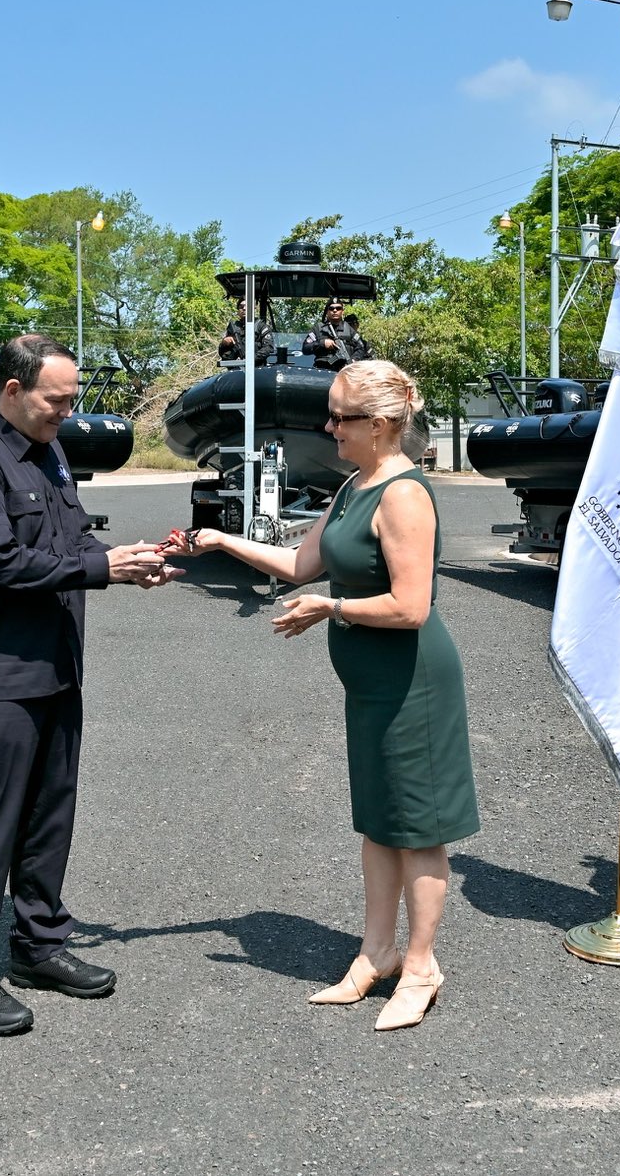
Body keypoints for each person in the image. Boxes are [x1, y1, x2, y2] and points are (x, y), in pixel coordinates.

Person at [166, 358, 478, 1032]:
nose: (328, 427)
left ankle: (421, 966)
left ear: (381, 423)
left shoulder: (403, 495)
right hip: (370, 686)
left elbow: (411, 607)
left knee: (419, 830)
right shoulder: (354, 485)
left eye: (340, 418)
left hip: (413, 684)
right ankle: (376, 953)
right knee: (379, 821)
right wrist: (219, 541)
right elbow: (299, 564)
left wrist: (331, 608)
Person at [0, 334, 178, 1039]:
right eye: (56, 400)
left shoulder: (50, 452)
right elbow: (0, 561)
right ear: (12, 391)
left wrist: (125, 559)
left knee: (47, 817)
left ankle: (39, 946)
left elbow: (68, 542)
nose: (67, 412)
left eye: (71, 400)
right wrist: (102, 570)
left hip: (55, 669)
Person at [302, 298, 373, 370]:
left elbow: (361, 347)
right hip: (322, 370)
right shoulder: (318, 328)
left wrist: (353, 360)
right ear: (327, 312)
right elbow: (305, 348)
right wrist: (322, 343)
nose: (335, 310)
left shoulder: (348, 329)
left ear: (342, 311)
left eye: (338, 308)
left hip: (343, 370)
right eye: (331, 308)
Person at [218, 300, 272, 365]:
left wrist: (250, 360)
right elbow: (223, 353)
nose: (244, 308)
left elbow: (268, 347)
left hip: (257, 367)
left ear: (254, 309)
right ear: (238, 311)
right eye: (241, 307)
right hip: (236, 367)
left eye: (247, 306)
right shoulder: (233, 327)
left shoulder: (261, 326)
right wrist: (224, 343)